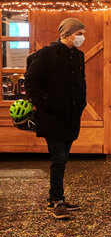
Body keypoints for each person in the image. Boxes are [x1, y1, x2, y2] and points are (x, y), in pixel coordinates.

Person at [24, 17, 87, 220]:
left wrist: (81, 103)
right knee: (58, 158)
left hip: (70, 116)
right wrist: (45, 102)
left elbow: (81, 81)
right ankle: (57, 200)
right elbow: (31, 80)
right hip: (53, 117)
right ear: (67, 34)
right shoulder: (48, 54)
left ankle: (55, 198)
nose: (82, 37)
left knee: (63, 157)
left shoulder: (78, 56)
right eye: (79, 34)